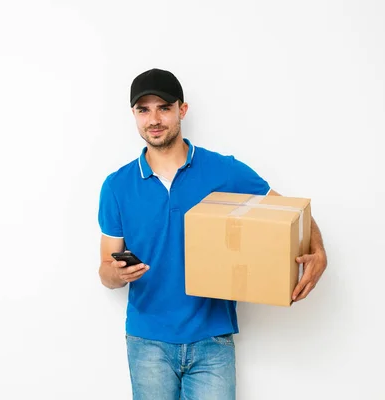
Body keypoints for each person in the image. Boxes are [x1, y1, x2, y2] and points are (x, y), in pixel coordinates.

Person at [97, 68, 327, 400]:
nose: (154, 118)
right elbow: (105, 269)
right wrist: (115, 273)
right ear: (134, 115)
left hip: (212, 340)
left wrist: (318, 250)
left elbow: (289, 210)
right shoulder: (117, 186)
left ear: (182, 110)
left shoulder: (223, 171)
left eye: (164, 107)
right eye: (143, 109)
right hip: (147, 340)